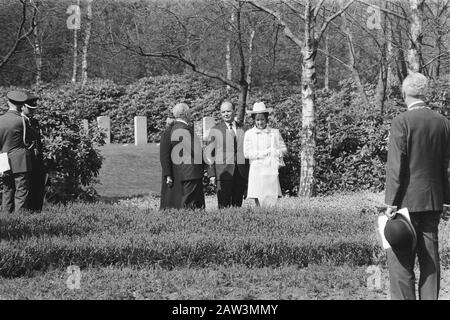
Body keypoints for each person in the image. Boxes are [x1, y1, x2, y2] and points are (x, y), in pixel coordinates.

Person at [384, 72, 450, 300]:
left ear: (404, 93)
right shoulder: (443, 122)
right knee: (430, 258)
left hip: (404, 203)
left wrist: (390, 203)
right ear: (425, 93)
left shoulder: (401, 122)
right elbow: (447, 165)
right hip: (432, 201)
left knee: (401, 262)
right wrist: (446, 199)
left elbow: (396, 167)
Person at [159, 103, 205, 210]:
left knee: (189, 206)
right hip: (190, 172)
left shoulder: (175, 128)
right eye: (189, 112)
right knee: (190, 207)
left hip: (184, 173)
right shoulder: (181, 129)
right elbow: (195, 150)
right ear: (186, 113)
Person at [206, 101, 249, 208]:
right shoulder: (215, 130)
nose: (226, 114)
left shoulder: (244, 129)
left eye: (228, 111)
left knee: (237, 205)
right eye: (223, 112)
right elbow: (209, 154)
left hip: (240, 172)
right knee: (223, 206)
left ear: (234, 111)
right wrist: (211, 174)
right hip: (223, 173)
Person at [243, 102, 287, 207]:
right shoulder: (249, 133)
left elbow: (284, 149)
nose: (260, 122)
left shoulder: (274, 132)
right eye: (257, 119)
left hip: (270, 168)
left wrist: (275, 152)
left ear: (266, 119)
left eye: (262, 119)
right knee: (258, 196)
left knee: (271, 196)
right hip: (257, 168)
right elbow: (246, 153)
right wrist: (262, 154)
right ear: (254, 120)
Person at [0, 91, 33, 213]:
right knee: (21, 191)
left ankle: (5, 218)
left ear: (8, 102)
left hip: (4, 159)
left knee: (7, 189)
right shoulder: (23, 120)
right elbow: (26, 140)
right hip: (20, 160)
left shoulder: (1, 119)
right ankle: (19, 219)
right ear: (21, 105)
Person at [22, 93, 47, 212]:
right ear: (23, 106)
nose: (32, 111)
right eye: (30, 109)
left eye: (34, 109)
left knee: (38, 188)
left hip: (37, 160)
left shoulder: (35, 122)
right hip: (26, 160)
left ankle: (37, 212)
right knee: (27, 189)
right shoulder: (20, 122)